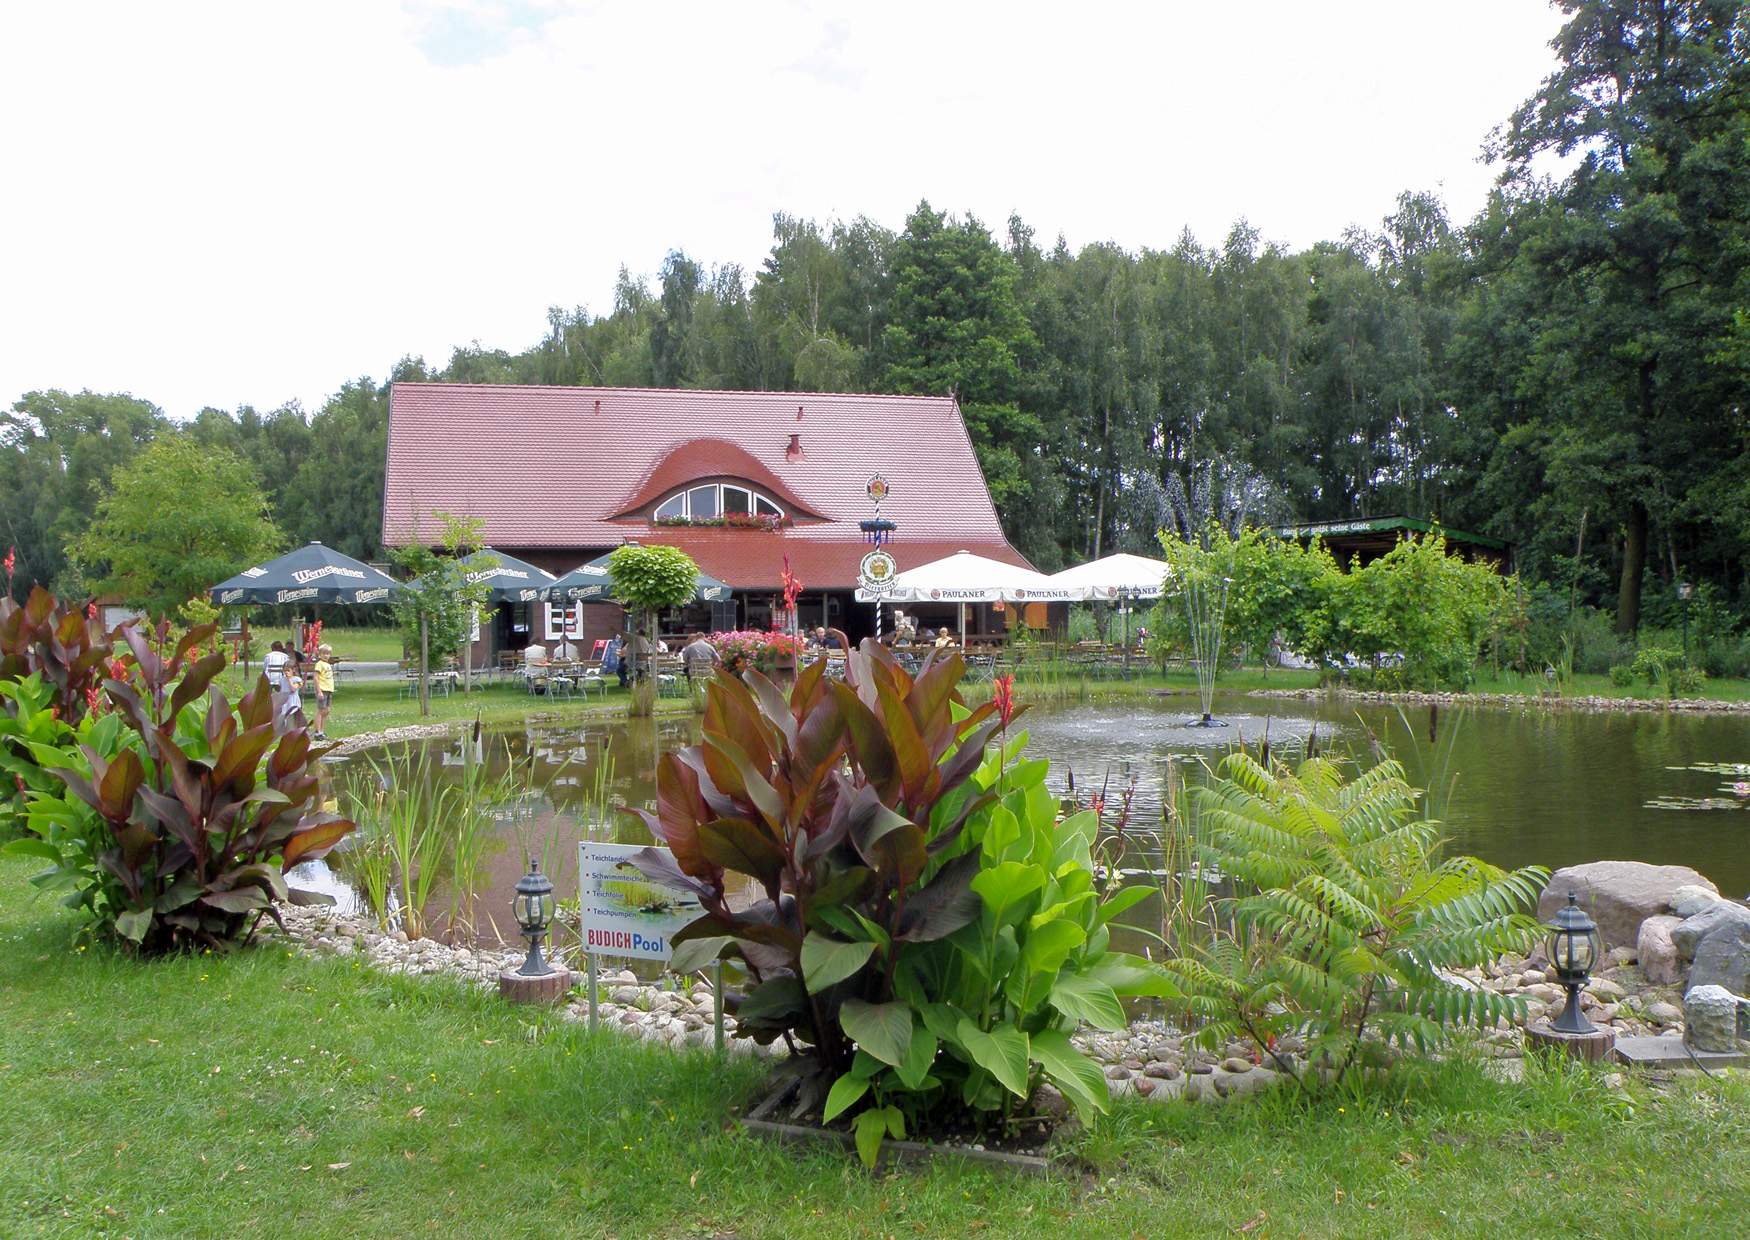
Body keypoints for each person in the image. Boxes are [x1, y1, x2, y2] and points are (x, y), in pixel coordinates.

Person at [312, 644, 335, 739]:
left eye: (328, 653)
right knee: (321, 710)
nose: (326, 655)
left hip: (329, 689)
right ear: (320, 654)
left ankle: (322, 730)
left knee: (327, 710)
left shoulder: (328, 665)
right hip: (323, 690)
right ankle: (317, 732)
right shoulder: (319, 664)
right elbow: (316, 678)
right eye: (324, 653)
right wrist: (319, 691)